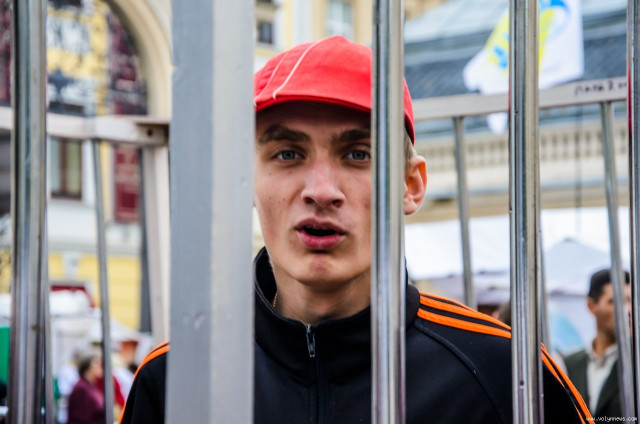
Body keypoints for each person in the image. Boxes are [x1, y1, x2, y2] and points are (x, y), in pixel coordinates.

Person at [120, 35, 590, 423]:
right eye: (288, 154)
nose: (321, 191)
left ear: (410, 185)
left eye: (358, 154)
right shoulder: (177, 379)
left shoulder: (507, 375)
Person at [564, 268, 631, 419]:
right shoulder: (570, 364)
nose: (627, 309)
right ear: (591, 305)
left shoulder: (636, 361)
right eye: (615, 301)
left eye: (630, 300)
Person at [67, 353, 105, 424]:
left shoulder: (90, 386)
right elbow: (80, 418)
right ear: (87, 366)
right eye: (97, 363)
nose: (100, 366)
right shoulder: (81, 388)